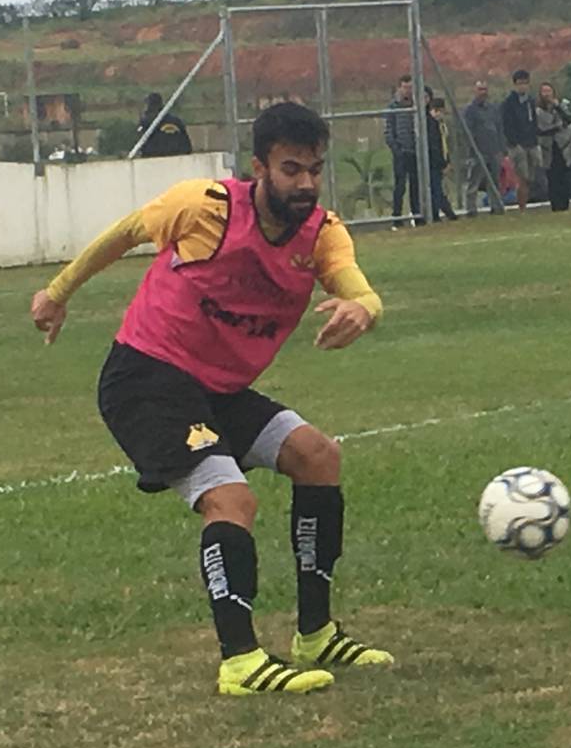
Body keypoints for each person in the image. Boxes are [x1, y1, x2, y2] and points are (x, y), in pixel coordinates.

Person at [27, 101, 390, 696]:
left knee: (318, 456)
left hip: (218, 389)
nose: (305, 184)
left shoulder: (321, 232)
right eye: (291, 169)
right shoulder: (206, 207)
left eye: (314, 170)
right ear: (259, 168)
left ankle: (316, 633)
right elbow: (125, 233)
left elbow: (361, 289)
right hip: (146, 379)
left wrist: (362, 309)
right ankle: (240, 662)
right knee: (230, 498)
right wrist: (57, 292)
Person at [461, 79, 506, 214]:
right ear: (475, 91)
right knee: (474, 181)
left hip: (494, 150)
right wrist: (473, 149)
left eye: (485, 89)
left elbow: (499, 128)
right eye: (480, 89)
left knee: (494, 181)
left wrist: (502, 148)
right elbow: (467, 131)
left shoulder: (493, 109)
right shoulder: (470, 110)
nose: (483, 92)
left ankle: (496, 206)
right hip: (478, 151)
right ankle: (471, 209)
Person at [534, 82, 571, 211]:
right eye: (544, 91)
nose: (547, 94)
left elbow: (569, 119)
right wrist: (555, 128)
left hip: (563, 146)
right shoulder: (537, 111)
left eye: (549, 91)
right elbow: (539, 129)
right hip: (548, 148)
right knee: (552, 177)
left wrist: (557, 106)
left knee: (564, 176)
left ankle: (565, 204)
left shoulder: (561, 106)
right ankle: (555, 204)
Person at [383, 76, 421, 228]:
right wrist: (396, 149)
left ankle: (417, 216)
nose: (408, 90)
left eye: (410, 87)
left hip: (415, 152)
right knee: (400, 187)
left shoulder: (416, 105)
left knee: (416, 186)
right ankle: (397, 218)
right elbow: (388, 131)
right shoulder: (393, 107)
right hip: (401, 152)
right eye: (405, 87)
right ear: (399, 88)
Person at [500, 69, 542, 206]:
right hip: (517, 145)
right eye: (519, 83)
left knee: (534, 173)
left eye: (525, 83)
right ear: (515, 85)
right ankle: (521, 206)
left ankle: (531, 200)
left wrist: (535, 139)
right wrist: (514, 143)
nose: (522, 86)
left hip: (532, 143)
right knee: (521, 177)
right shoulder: (509, 103)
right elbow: (507, 125)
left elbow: (534, 121)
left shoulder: (530, 101)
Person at [424, 94, 458, 222]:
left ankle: (444, 213)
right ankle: (442, 214)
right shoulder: (430, 125)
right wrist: (442, 164)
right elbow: (434, 147)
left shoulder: (441, 125)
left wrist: (447, 160)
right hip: (434, 164)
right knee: (436, 190)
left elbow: (445, 145)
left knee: (438, 190)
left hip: (441, 161)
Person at [136, 91, 194, 157]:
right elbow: (187, 147)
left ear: (149, 105)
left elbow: (141, 145)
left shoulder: (147, 123)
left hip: (155, 161)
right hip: (178, 160)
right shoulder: (176, 121)